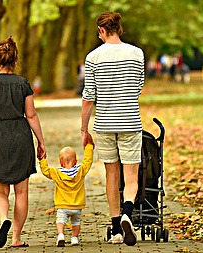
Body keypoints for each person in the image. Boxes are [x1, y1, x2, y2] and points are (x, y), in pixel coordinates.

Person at [80, 12, 144, 246]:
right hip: (129, 121)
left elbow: (89, 97)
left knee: (111, 174)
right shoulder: (137, 54)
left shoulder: (93, 57)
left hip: (105, 124)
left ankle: (116, 228)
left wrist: (84, 128)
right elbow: (138, 88)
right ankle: (128, 211)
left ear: (101, 30)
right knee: (131, 175)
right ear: (119, 28)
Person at [0, 36, 46, 248]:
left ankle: (3, 220)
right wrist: (41, 142)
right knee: (22, 192)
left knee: (0, 191)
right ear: (15, 61)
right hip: (20, 135)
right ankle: (16, 238)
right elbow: (32, 115)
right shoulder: (23, 84)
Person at [39, 144, 94, 247]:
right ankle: (74, 238)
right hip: (77, 206)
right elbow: (88, 161)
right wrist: (89, 147)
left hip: (62, 206)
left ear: (60, 163)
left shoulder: (57, 173)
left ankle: (60, 235)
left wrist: (42, 160)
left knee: (60, 221)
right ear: (76, 161)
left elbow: (46, 171)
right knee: (76, 222)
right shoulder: (80, 170)